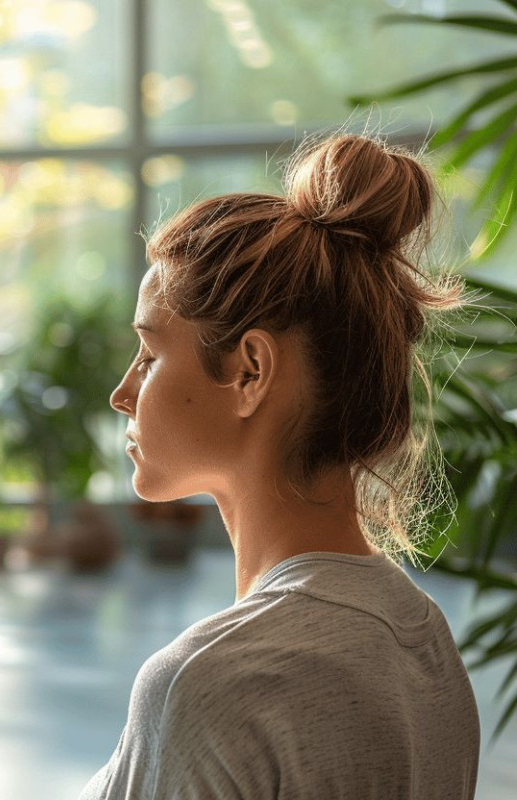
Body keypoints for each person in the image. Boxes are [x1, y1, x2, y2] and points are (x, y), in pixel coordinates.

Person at [82, 134, 481, 799]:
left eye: (149, 354)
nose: (123, 393)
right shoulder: (426, 643)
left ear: (249, 372)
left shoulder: (213, 683)